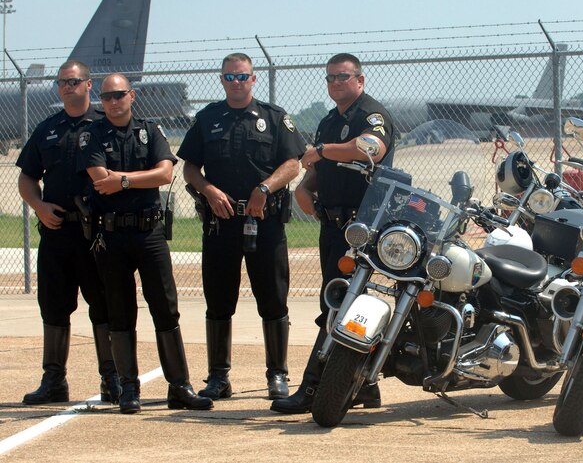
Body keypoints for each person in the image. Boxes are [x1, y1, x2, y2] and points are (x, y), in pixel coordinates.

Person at [78, 73, 212, 414]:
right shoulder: (91, 135)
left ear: (131, 96)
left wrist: (121, 180)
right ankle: (128, 387)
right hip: (111, 235)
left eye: (118, 94)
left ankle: (179, 386)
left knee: (166, 307)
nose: (112, 101)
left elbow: (166, 173)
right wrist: (137, 179)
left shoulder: (150, 131)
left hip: (149, 233)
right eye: (106, 96)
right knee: (120, 311)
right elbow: (98, 179)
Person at [271, 53, 394, 415]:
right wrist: (305, 188)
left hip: (361, 228)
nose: (336, 83)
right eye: (330, 78)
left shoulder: (371, 115)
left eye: (342, 77)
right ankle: (363, 386)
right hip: (332, 225)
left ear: (360, 79)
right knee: (338, 302)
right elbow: (316, 166)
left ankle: (314, 387)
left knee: (342, 303)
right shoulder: (329, 120)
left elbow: (371, 148)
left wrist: (320, 151)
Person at [177, 53, 305, 401]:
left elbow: (293, 164)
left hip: (264, 222)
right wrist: (207, 189)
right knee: (219, 300)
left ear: (253, 78)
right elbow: (189, 168)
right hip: (221, 224)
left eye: (242, 76)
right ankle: (219, 377)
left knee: (273, 299)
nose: (236, 82)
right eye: (230, 77)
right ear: (222, 80)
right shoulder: (207, 119)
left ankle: (277, 374)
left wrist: (265, 188)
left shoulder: (273, 118)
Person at [16, 60, 120, 405]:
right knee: (54, 307)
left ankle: (111, 379)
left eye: (73, 81)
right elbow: (27, 177)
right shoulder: (47, 129)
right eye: (62, 82)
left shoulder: (106, 126)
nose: (66, 87)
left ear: (89, 85)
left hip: (97, 233)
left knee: (102, 305)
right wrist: (39, 207)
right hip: (57, 230)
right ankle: (54, 381)